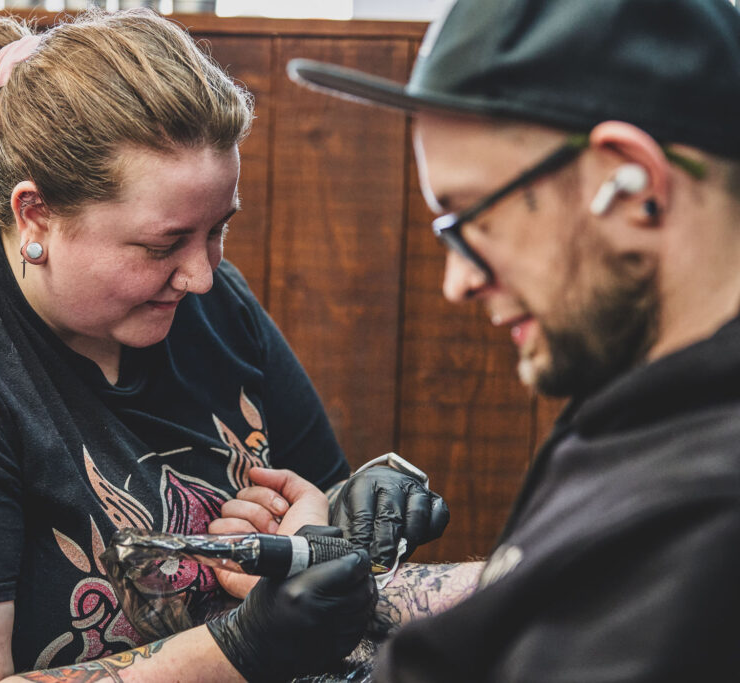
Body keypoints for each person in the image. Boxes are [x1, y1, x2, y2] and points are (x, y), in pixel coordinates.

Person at [0, 9, 448, 683]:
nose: (202, 275)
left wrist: (352, 517)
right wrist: (242, 645)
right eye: (164, 244)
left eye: (217, 228)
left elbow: (314, 510)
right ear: (33, 214)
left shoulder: (204, 303)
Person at [287, 0, 740, 679]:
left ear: (633, 185)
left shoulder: (704, 518)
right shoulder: (646, 402)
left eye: (472, 218)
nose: (458, 282)